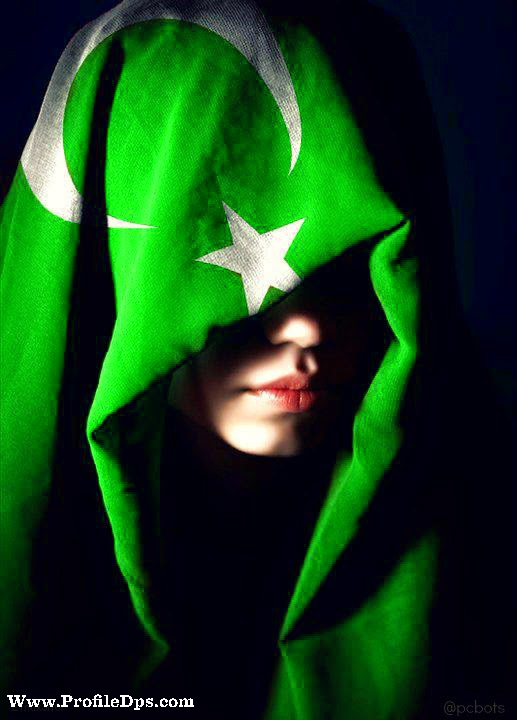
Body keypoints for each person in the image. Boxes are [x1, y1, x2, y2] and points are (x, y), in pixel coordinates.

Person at [0, 0, 510, 717]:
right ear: (109, 268)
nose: (304, 328)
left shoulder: (489, 544)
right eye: (204, 264)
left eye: (346, 266)